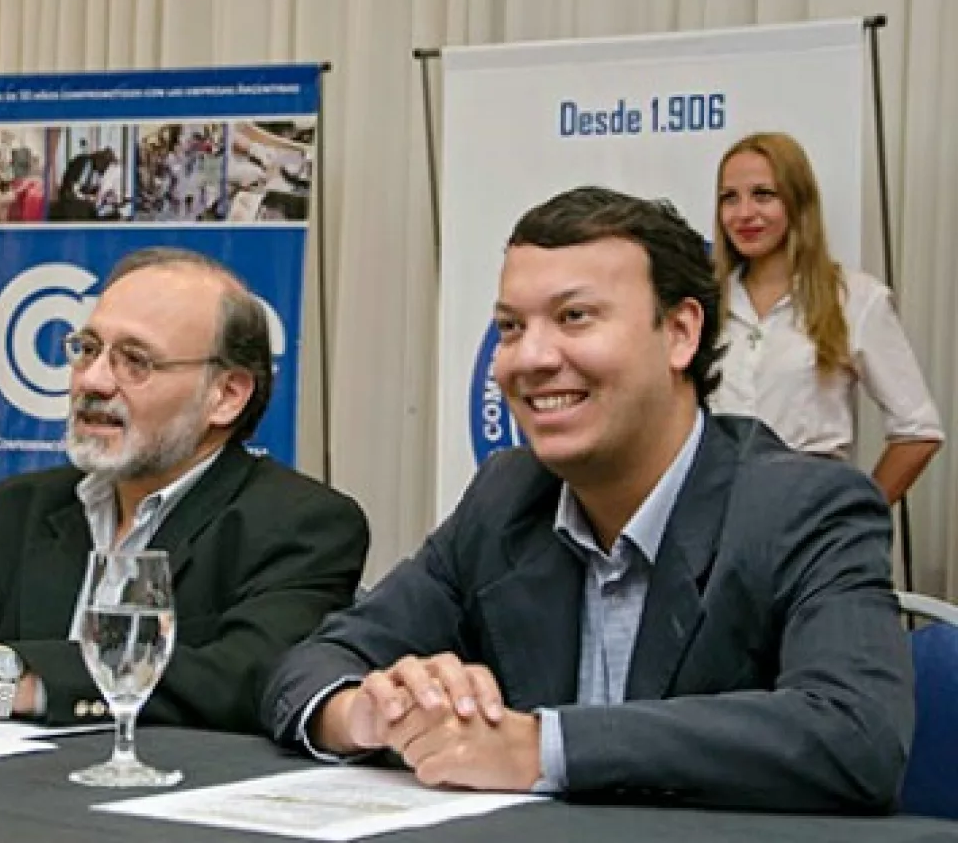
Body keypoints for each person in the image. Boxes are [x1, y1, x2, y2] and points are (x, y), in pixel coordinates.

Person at [262, 187, 913, 813]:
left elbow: (856, 735)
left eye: (574, 317)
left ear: (680, 333)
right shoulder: (507, 497)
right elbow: (312, 665)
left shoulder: (804, 507)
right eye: (511, 327)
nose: (530, 358)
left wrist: (539, 749)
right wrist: (369, 713)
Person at [0, 246, 369, 732]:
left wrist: (7, 678)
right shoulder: (20, 509)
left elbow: (249, 678)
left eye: (135, 360)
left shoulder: (302, 523)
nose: (93, 381)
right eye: (86, 350)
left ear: (226, 395)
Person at [709, 131, 943, 504]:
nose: (744, 213)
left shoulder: (856, 299)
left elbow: (918, 431)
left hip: (804, 516)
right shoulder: (703, 302)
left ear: (798, 200)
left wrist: (854, 516)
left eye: (763, 195)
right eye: (729, 198)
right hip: (713, 517)